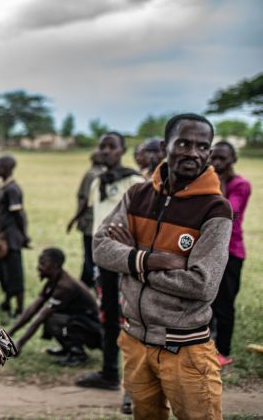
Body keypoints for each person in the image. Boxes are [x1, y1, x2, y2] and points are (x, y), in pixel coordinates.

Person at [93, 113, 231, 420]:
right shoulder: (137, 194)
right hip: (135, 341)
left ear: (209, 152)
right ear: (165, 145)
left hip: (185, 348)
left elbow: (202, 284)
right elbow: (100, 248)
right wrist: (149, 259)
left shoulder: (216, 208)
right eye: (183, 143)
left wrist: (131, 260)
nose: (192, 152)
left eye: (202, 146)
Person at [75, 132, 144, 415]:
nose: (105, 151)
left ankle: (133, 388)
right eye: (102, 146)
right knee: (108, 317)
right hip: (102, 263)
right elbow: (95, 222)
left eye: (111, 146)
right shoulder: (97, 181)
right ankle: (109, 372)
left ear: (122, 150)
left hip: (126, 263)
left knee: (130, 322)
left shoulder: (135, 182)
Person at [8, 248, 102, 367]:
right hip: (81, 322)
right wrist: (8, 334)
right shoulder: (54, 279)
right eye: (39, 263)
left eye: (43, 264)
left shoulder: (65, 286)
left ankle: (77, 353)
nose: (38, 267)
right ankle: (67, 349)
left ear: (55, 266)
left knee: (52, 319)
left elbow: (41, 316)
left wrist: (19, 344)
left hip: (94, 330)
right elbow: (32, 308)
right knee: (52, 318)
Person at [210, 141, 251, 367]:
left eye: (222, 159)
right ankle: (205, 347)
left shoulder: (240, 184)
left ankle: (223, 352)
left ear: (233, 160)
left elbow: (227, 211)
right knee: (205, 302)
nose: (217, 163)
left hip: (231, 252)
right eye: (213, 157)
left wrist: (219, 182)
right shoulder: (205, 182)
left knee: (224, 305)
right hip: (207, 251)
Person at [0, 155, 28, 317]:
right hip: (4, 236)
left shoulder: (12, 189)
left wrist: (24, 235)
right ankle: (7, 302)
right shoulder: (4, 187)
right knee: (4, 272)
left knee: (15, 274)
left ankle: (20, 308)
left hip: (12, 238)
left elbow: (19, 214)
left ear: (6, 169)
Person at [66, 151, 105, 287]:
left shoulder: (90, 174)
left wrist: (74, 218)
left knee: (89, 255)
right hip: (102, 221)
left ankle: (95, 283)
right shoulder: (105, 173)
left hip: (89, 222)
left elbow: (84, 199)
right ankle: (85, 283)